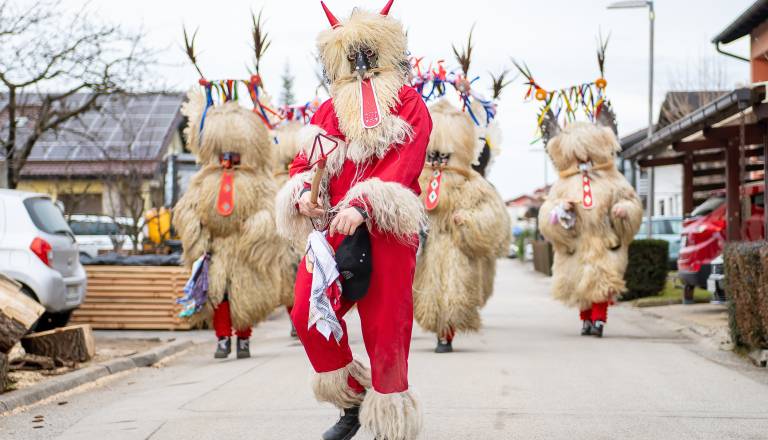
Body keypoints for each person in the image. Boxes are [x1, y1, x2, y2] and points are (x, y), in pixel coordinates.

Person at [275, 1, 431, 439]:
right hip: (332, 233)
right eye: (352, 55)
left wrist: (362, 206)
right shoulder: (329, 111)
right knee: (308, 309)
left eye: (368, 54)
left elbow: (404, 166)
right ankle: (351, 398)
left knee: (386, 328)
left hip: (387, 229)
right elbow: (307, 166)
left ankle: (388, 420)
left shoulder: (409, 104)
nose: (361, 65)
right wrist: (305, 195)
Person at [174, 86, 282, 359]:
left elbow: (270, 209)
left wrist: (257, 229)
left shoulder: (258, 179)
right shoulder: (203, 179)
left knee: (245, 294)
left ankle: (243, 339)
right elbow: (187, 208)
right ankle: (222, 339)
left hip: (244, 248)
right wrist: (196, 233)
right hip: (217, 248)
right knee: (217, 295)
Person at [413, 100, 510, 353]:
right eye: (433, 155)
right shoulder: (416, 179)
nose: (437, 162)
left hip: (455, 247)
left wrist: (467, 219)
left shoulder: (472, 183)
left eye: (442, 156)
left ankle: (446, 335)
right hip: (425, 248)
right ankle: (438, 330)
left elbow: (491, 213)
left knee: (452, 292)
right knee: (426, 293)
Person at [537, 105, 642, 337]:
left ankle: (598, 321)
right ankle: (585, 319)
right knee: (580, 284)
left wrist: (624, 210)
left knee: (602, 282)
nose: (583, 159)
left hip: (604, 241)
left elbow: (630, 201)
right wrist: (559, 211)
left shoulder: (614, 179)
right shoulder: (562, 183)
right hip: (577, 242)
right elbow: (547, 211)